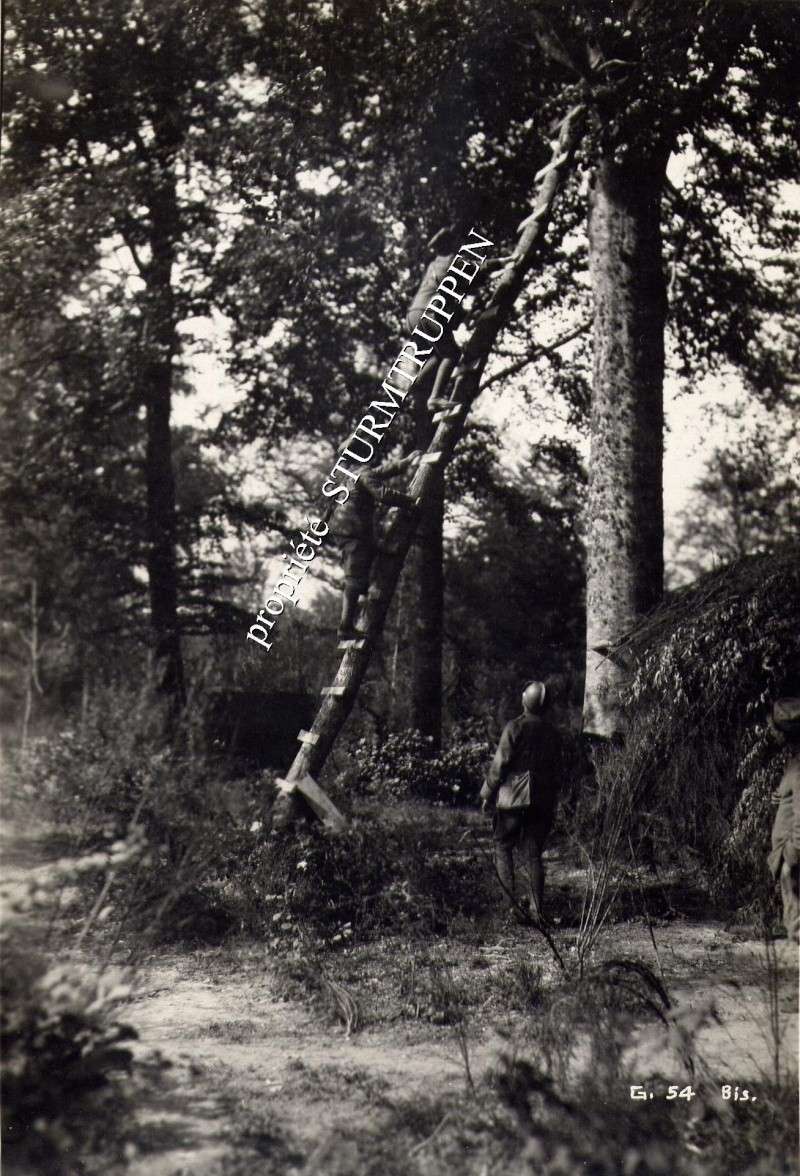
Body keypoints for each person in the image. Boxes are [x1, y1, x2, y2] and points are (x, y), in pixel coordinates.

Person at [480, 680, 564, 923]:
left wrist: (487, 794)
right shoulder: (552, 732)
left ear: (524, 701)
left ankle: (512, 910)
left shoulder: (514, 727)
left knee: (503, 847)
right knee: (533, 854)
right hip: (543, 799)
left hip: (514, 799)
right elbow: (558, 768)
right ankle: (539, 912)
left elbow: (499, 766)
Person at [335, 450, 422, 642]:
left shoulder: (349, 472)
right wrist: (409, 502)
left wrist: (405, 462)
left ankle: (351, 618)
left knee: (361, 569)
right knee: (354, 579)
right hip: (353, 530)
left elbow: (381, 471)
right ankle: (345, 627)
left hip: (348, 528)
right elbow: (382, 494)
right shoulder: (362, 472)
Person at [767, 695, 800, 944]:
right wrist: (781, 799)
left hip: (792, 857)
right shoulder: (793, 763)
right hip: (787, 854)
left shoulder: (799, 767)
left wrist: (791, 856)